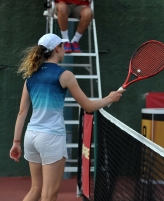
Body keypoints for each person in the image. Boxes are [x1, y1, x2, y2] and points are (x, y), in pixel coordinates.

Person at [9, 33, 124, 201]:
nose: (64, 50)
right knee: (49, 195)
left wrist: (16, 143)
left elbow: (21, 113)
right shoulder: (65, 75)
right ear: (57, 48)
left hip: (30, 137)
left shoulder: (30, 77)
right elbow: (88, 106)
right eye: (62, 46)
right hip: (51, 138)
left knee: (35, 190)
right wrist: (110, 98)